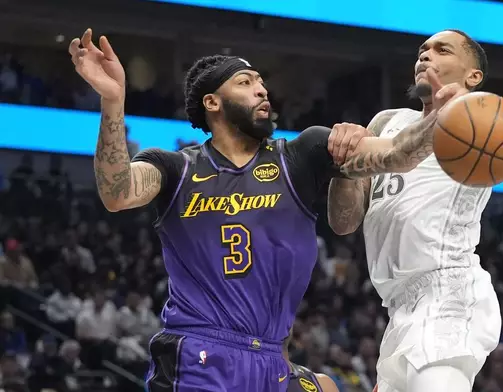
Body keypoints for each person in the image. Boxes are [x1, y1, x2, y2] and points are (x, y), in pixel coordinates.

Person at [68, 28, 454, 392]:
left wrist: (439, 118)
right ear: (212, 102)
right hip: (199, 354)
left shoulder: (302, 154)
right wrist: (113, 101)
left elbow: (396, 155)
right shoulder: (176, 168)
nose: (261, 89)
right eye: (246, 82)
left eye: (261, 82)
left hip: (271, 358)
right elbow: (117, 192)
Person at [326, 29, 503, 392]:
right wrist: (342, 162)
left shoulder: (476, 121)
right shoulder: (386, 122)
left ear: (473, 77)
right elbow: (344, 222)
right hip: (397, 310)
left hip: (446, 294)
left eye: (442, 50)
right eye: (422, 50)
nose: (425, 56)